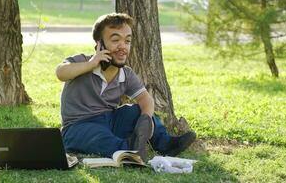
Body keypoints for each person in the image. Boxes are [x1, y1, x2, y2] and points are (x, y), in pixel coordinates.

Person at [56, 13, 196, 161]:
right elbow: (60, 72)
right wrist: (91, 64)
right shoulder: (82, 61)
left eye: (127, 41)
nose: (123, 46)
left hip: (111, 121)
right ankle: (128, 148)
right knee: (98, 136)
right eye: (115, 40)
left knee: (137, 111)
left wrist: (145, 119)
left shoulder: (126, 74)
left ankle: (165, 143)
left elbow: (146, 100)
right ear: (99, 44)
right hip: (78, 127)